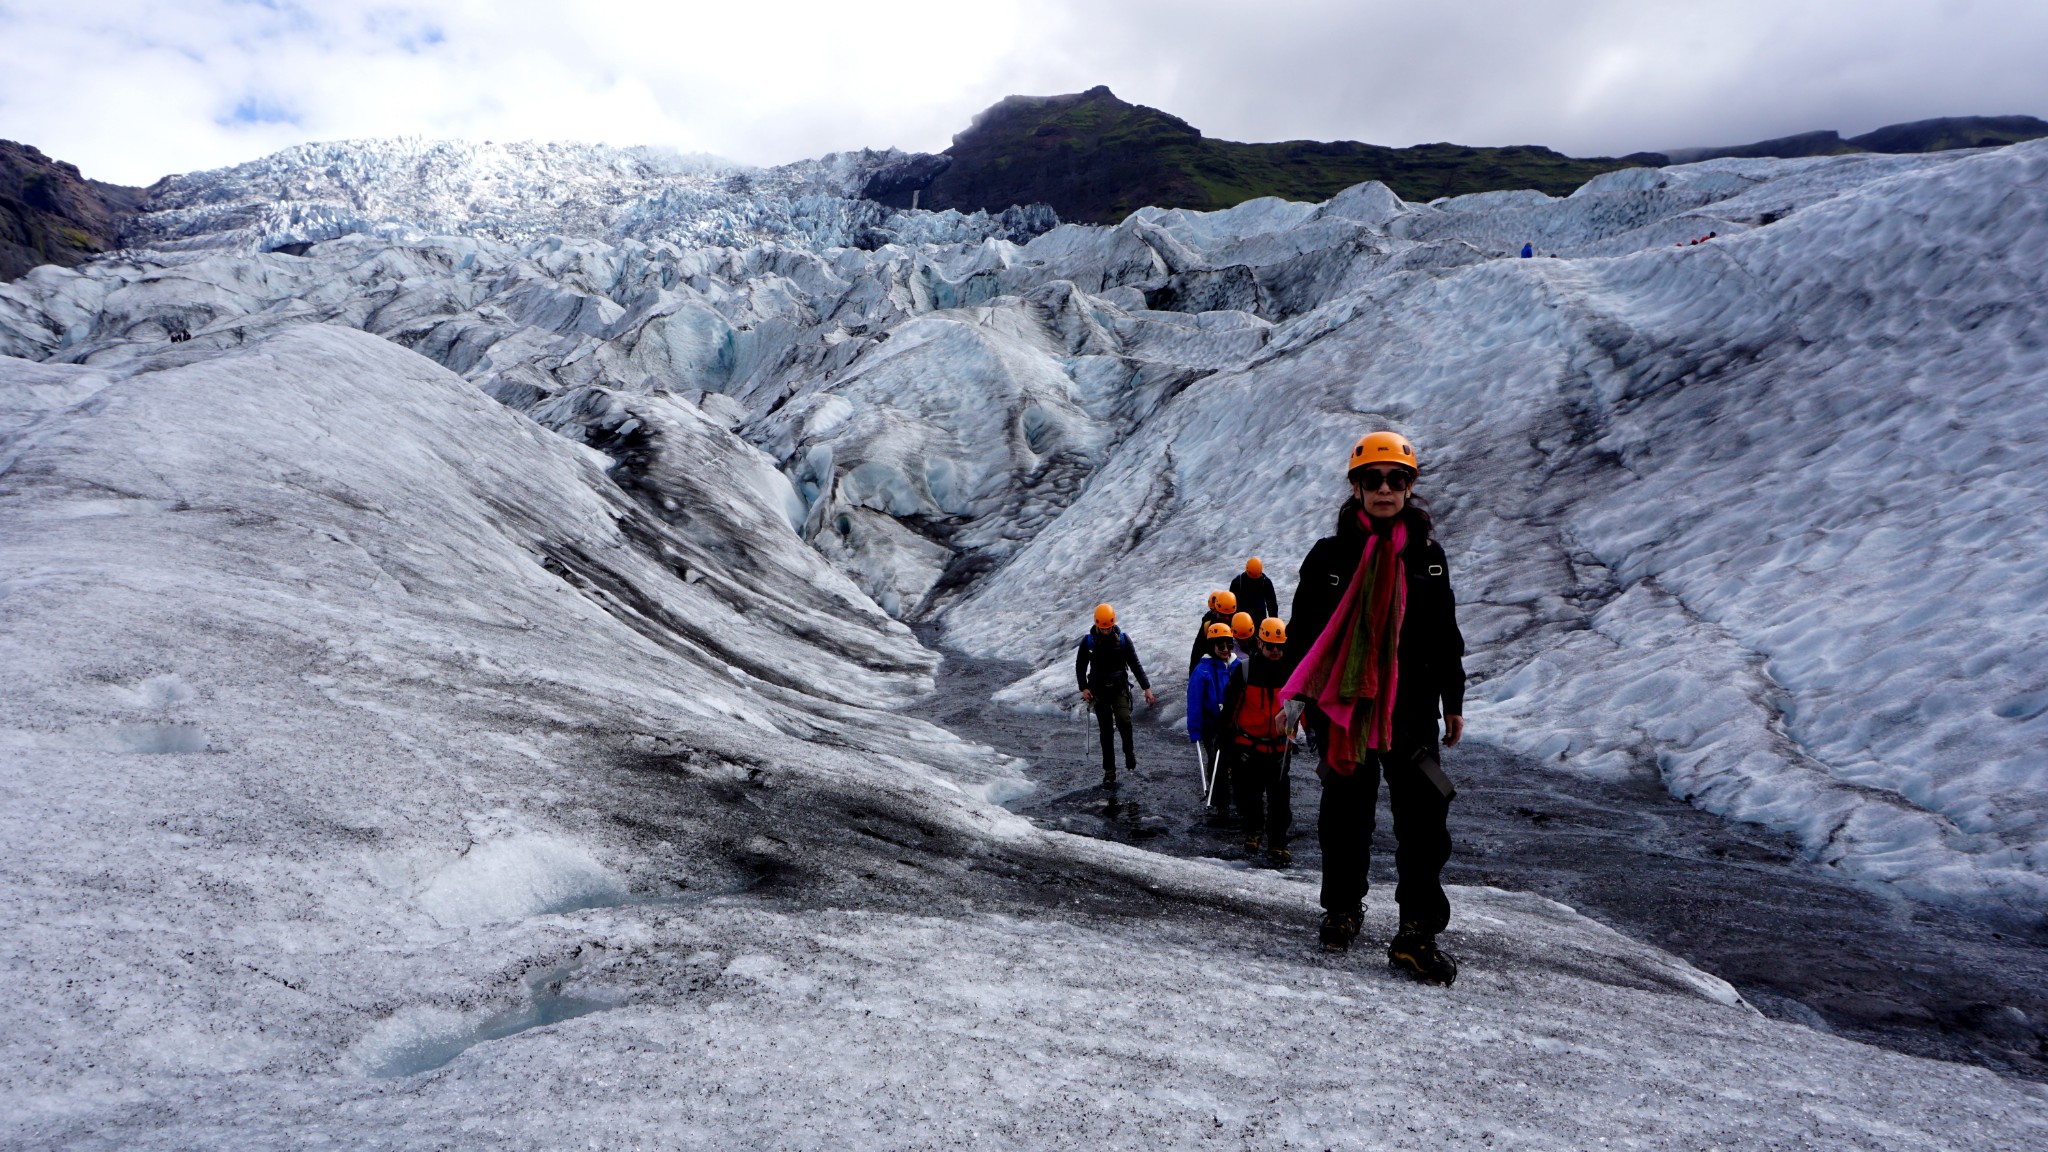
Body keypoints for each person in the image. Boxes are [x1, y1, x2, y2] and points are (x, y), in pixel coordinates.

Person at [1282, 430, 1466, 986]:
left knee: (1425, 824)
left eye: (1396, 478)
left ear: (1410, 486)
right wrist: (1300, 703)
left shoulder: (1429, 560)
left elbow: (1444, 637)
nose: (1384, 488)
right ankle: (1341, 910)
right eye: (1372, 478)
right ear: (1356, 486)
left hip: (1410, 712)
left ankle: (1416, 933)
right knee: (1344, 818)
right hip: (1343, 714)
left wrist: (1452, 700)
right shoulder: (1330, 556)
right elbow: (1303, 635)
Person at [1221, 617, 1295, 867]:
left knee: (1279, 799)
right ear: (1260, 642)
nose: (1276, 651)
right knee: (1249, 794)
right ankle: (1254, 830)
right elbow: (1231, 705)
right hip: (1248, 746)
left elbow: (1299, 706)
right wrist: (1224, 736)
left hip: (1278, 747)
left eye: (1280, 646)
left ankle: (1277, 842)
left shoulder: (1291, 672)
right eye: (1271, 646)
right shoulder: (1245, 671)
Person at [1077, 603, 1157, 787]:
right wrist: (1084, 687)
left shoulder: (1123, 640)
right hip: (1099, 691)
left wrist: (1146, 688)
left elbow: (1135, 664)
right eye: (1103, 628)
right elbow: (1080, 666)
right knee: (1106, 732)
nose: (1106, 631)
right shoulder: (1088, 642)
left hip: (1119, 687)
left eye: (1108, 628)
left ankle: (1129, 751)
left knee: (1124, 720)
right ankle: (1109, 770)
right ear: (1097, 625)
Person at [1186, 621, 1238, 817]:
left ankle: (1240, 799)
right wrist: (1195, 729)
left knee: (1238, 761)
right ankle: (1220, 801)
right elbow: (1194, 701)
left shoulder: (1238, 667)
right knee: (1218, 762)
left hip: (1234, 724)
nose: (1225, 649)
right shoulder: (1202, 671)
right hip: (1212, 726)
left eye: (1228, 644)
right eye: (1221, 645)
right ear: (1212, 646)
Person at [1186, 589, 1238, 672]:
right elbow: (1197, 652)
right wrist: (1194, 675)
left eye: (1230, 615)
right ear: (1216, 611)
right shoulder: (1207, 626)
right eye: (1222, 615)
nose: (1226, 619)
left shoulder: (1239, 622)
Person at [1229, 558, 1280, 625]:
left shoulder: (1265, 582)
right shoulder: (1238, 582)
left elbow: (1272, 605)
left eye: (1256, 578)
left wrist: (1274, 623)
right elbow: (1230, 604)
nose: (1254, 580)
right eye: (1251, 578)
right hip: (1241, 621)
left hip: (1259, 621)